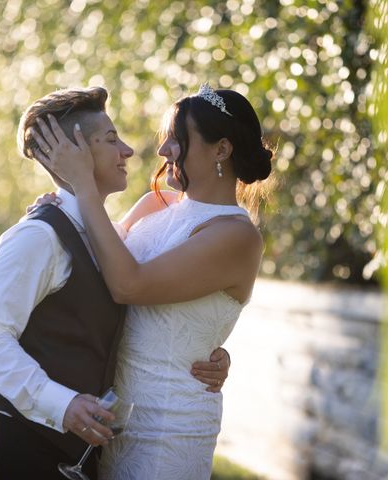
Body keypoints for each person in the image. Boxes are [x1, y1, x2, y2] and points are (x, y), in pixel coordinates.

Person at [0, 87, 231, 480]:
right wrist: (63, 405)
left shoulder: (110, 237)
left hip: (70, 454)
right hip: (10, 449)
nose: (129, 151)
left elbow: (152, 294)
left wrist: (207, 347)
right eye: (111, 139)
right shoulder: (37, 237)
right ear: (75, 151)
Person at [31, 84, 272, 479]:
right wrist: (60, 209)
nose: (163, 152)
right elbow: (98, 263)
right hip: (110, 412)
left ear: (221, 150)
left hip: (168, 427)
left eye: (177, 141)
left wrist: (84, 188)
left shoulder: (236, 236)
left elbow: (130, 285)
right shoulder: (155, 204)